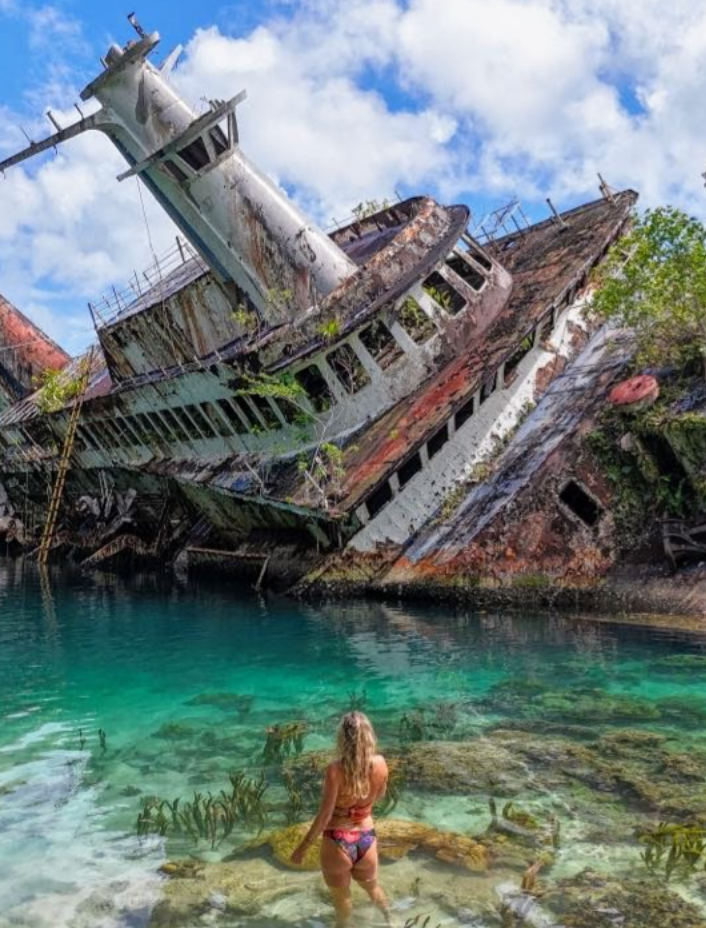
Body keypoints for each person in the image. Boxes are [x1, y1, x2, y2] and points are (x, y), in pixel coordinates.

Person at [291, 711, 392, 926]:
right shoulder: (381, 763)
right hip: (366, 838)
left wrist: (303, 847)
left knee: (342, 901)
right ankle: (391, 921)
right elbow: (381, 795)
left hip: (338, 840)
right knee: (373, 888)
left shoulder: (335, 770)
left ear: (343, 739)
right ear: (369, 736)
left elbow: (325, 814)